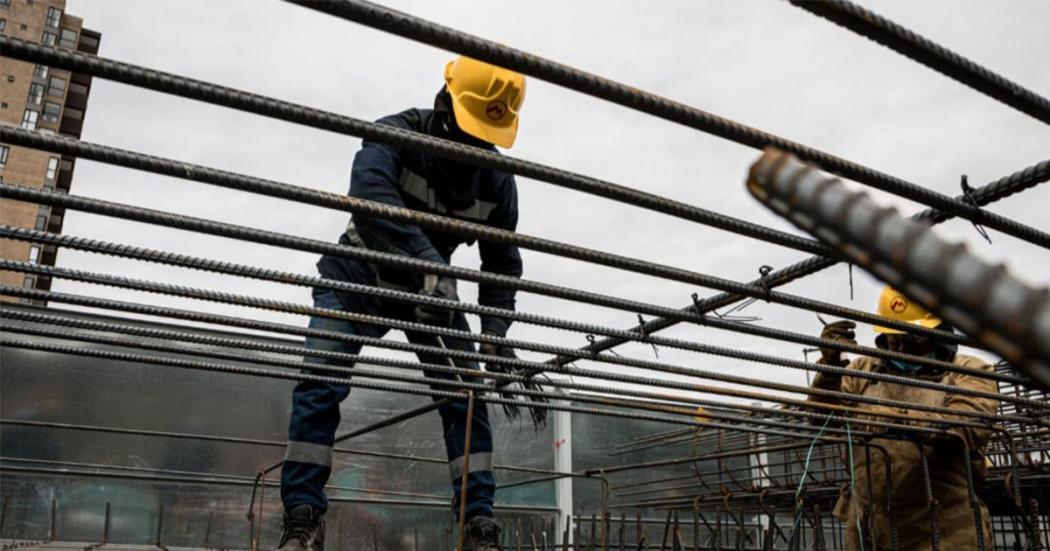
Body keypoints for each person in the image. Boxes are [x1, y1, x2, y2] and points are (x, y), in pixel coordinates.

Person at [276, 56, 528, 551]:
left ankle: (477, 523)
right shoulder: (396, 134)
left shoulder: (497, 179)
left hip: (433, 289)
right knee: (320, 378)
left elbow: (501, 265)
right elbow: (368, 195)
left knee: (467, 396)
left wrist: (495, 334)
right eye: (469, 133)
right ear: (444, 108)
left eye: (486, 138)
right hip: (359, 274)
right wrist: (428, 265)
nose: (477, 148)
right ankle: (303, 514)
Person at [809, 287, 999, 550]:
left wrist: (885, 417)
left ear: (937, 332)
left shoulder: (967, 371)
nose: (901, 347)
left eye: (913, 339)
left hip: (944, 527)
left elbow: (969, 426)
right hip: (868, 525)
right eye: (893, 337)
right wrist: (829, 373)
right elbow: (822, 419)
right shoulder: (862, 371)